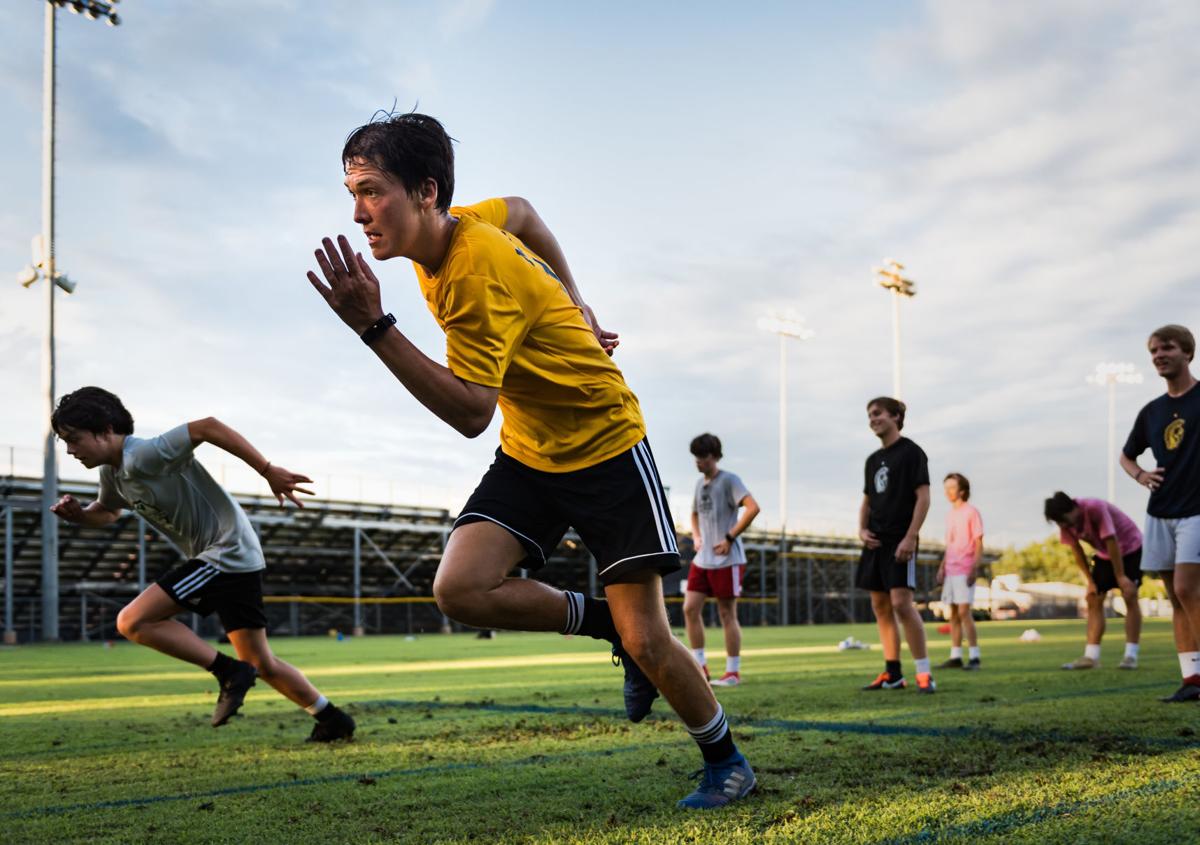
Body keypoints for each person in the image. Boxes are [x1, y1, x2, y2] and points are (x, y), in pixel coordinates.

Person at [304, 112, 754, 808]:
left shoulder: (471, 273)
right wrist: (577, 299)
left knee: (653, 643)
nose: (359, 212)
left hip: (603, 444)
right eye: (351, 192)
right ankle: (600, 620)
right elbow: (527, 212)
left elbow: (469, 412)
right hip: (532, 448)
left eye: (371, 190)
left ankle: (727, 761)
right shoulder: (457, 227)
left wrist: (373, 325)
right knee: (460, 586)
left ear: (425, 191)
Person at [49, 387, 355, 741]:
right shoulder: (113, 475)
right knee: (260, 663)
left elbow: (207, 427)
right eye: (65, 442)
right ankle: (332, 719)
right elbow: (107, 511)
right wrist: (80, 516)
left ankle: (228, 672)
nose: (70, 450)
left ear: (105, 430)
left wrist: (268, 470)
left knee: (132, 621)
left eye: (74, 439)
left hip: (226, 552)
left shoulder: (145, 454)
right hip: (235, 557)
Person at [1120, 324, 1200, 702]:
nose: (1158, 355)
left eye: (1166, 348)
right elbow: (1126, 454)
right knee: (1175, 596)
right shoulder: (1151, 412)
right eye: (1153, 350)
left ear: (1187, 351)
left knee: (1189, 590)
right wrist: (1140, 475)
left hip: (1196, 511)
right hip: (1160, 511)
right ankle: (1191, 679)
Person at [857, 397, 935, 693]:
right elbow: (867, 500)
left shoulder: (912, 453)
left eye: (877, 414)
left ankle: (924, 672)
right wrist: (862, 530)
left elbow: (923, 497)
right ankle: (893, 673)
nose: (872, 419)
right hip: (875, 541)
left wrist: (911, 536)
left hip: (900, 539)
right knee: (880, 605)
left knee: (902, 603)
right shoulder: (872, 461)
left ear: (895, 416)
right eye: (869, 415)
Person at [685, 433, 761, 686]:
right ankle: (700, 666)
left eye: (704, 457)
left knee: (726, 613)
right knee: (689, 609)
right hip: (702, 559)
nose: (699, 462)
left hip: (727, 560)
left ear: (715, 457)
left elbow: (753, 508)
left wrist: (729, 537)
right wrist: (696, 536)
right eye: (696, 457)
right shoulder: (699, 484)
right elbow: (694, 514)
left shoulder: (729, 480)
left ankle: (732, 672)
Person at [1043, 492, 1143, 670]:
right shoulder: (1065, 523)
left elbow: (1112, 541)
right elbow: (1077, 551)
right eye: (1059, 523)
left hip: (1130, 549)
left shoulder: (1095, 508)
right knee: (1093, 598)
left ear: (1073, 508)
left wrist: (1121, 576)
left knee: (1129, 595)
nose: (1063, 525)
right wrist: (1089, 581)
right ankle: (1091, 657)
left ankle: (1131, 655)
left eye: (1064, 521)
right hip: (1104, 555)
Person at [935, 473, 984, 670]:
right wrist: (942, 567)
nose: (948, 492)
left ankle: (975, 657)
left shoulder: (971, 512)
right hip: (951, 569)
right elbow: (950, 544)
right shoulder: (950, 515)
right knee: (953, 614)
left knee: (964, 612)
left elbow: (979, 542)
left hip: (965, 568)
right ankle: (955, 656)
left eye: (952, 487)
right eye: (946, 488)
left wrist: (974, 567)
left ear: (962, 490)